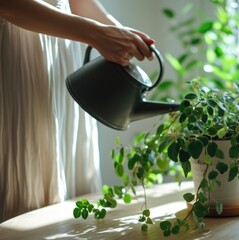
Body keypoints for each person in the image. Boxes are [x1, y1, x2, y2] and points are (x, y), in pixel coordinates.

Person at [0, 0, 155, 223]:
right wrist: (98, 34)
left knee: (72, 188)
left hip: (65, 51)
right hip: (17, 53)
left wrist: (115, 32)